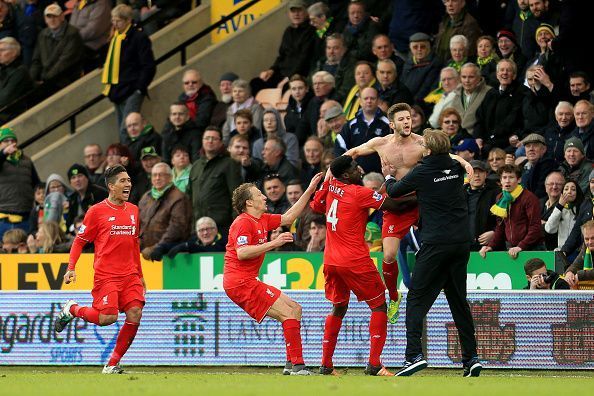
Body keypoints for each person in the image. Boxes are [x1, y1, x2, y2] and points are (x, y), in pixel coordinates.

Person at [345, 103, 472, 323]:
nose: (407, 122)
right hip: (396, 205)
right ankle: (394, 297)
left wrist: (465, 164)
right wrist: (332, 170)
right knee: (388, 255)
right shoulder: (380, 143)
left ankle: (438, 287)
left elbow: (447, 154)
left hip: (421, 203)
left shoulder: (422, 142)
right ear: (392, 124)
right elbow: (354, 152)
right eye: (402, 119)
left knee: (432, 249)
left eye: (409, 118)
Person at [382, 129, 481, 377]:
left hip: (436, 243)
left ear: (426, 150)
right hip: (461, 244)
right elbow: (454, 162)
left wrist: (389, 176)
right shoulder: (456, 168)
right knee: (459, 301)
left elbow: (394, 192)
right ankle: (471, 358)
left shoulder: (423, 171)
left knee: (416, 297)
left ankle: (413, 355)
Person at [310, 156, 416, 376]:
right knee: (378, 306)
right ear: (347, 175)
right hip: (355, 261)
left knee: (338, 307)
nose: (360, 170)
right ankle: (374, 364)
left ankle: (326, 365)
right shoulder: (359, 193)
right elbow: (395, 205)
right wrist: (424, 194)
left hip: (331, 261)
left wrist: (386, 182)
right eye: (354, 168)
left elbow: (316, 205)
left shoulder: (330, 186)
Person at [223, 172, 323, 375]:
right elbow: (242, 253)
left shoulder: (262, 219)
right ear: (250, 202)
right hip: (240, 282)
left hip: (247, 280)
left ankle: (290, 365)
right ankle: (298, 366)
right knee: (288, 313)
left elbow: (289, 217)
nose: (265, 197)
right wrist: (274, 243)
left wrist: (310, 190)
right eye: (260, 194)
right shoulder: (243, 222)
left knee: (295, 309)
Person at [54, 165, 146, 374]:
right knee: (107, 318)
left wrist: (140, 276)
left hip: (130, 274)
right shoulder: (96, 211)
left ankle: (112, 364)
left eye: (129, 180)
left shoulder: (133, 210)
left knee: (135, 313)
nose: (128, 184)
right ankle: (73, 309)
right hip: (107, 276)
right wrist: (71, 268)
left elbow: (134, 245)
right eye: (123, 181)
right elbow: (79, 241)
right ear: (111, 186)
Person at [101, 4, 156, 142]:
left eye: (118, 20)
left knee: (127, 130)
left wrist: (139, 88)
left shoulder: (139, 37)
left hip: (132, 89)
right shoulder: (114, 38)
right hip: (117, 89)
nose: (115, 24)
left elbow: (148, 65)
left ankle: (128, 159)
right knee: (122, 130)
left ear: (128, 20)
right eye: (113, 20)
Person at [250, 0, 315, 95]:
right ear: (289, 14)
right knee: (255, 83)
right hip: (281, 73)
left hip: (297, 75)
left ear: (306, 12)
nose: (296, 14)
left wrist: (288, 79)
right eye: (293, 11)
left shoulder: (311, 31)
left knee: (284, 88)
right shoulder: (288, 31)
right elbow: (281, 55)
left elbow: (304, 61)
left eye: (299, 10)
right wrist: (271, 70)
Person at [479, 164, 544, 258]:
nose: (507, 181)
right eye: (504, 177)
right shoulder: (500, 198)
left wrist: (521, 246)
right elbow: (500, 227)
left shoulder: (529, 198)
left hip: (533, 248)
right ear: (500, 181)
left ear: (519, 180)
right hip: (512, 248)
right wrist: (491, 246)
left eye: (511, 177)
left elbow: (535, 227)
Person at [188, 126, 242, 233]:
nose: (210, 141)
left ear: (221, 142)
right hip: (198, 227)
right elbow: (189, 196)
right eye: (207, 138)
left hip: (221, 226)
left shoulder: (229, 164)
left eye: (214, 138)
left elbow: (237, 197)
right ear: (202, 141)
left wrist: (236, 225)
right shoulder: (196, 166)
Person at [138, 162, 192, 261]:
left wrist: (157, 247)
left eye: (161, 175)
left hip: (168, 255)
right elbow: (138, 222)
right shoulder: (146, 197)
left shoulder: (179, 197)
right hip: (144, 253)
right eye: (154, 175)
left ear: (170, 178)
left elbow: (177, 228)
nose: (157, 178)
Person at [335, 87, 390, 174]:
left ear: (378, 101)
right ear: (360, 101)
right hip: (356, 176)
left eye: (372, 98)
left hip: (382, 176)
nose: (369, 101)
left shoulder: (388, 124)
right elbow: (340, 148)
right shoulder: (350, 125)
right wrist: (351, 166)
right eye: (366, 98)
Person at [30, 4, 84, 91]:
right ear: (45, 20)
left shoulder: (72, 34)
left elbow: (64, 62)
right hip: (47, 79)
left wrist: (46, 80)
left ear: (62, 17)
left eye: (55, 16)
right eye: (49, 17)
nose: (52, 20)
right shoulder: (42, 35)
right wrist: (32, 79)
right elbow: (36, 60)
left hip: (66, 79)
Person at [0, 127, 40, 239]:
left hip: (26, 217)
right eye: (6, 141)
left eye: (12, 140)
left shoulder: (26, 161)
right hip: (3, 219)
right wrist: (3, 154)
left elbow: (36, 184)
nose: (10, 143)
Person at [466, 160, 500, 251]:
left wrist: (494, 233)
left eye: (480, 172)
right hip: (465, 247)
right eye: (473, 172)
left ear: (485, 174)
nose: (477, 175)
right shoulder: (460, 195)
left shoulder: (497, 193)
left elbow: (504, 219)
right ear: (467, 175)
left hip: (489, 247)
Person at [0, 37, 33, 122]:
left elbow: (4, 99)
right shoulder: (3, 69)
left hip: (12, 116)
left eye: (2, 50)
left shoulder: (21, 71)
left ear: (14, 53)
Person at [66, 163, 108, 231]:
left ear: (87, 178)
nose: (77, 180)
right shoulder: (72, 199)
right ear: (70, 183)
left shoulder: (99, 193)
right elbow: (69, 223)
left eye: (80, 176)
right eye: (73, 177)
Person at [544, 180, 583, 250]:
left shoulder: (582, 208)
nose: (569, 192)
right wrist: (559, 206)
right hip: (561, 251)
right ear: (562, 193)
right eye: (566, 189)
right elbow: (549, 229)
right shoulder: (559, 209)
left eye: (573, 189)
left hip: (578, 252)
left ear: (577, 193)